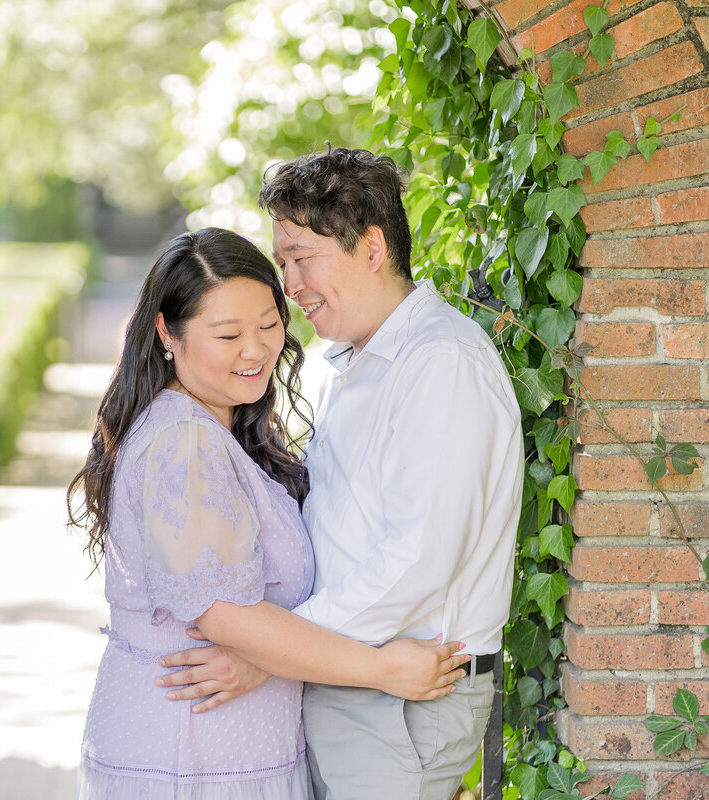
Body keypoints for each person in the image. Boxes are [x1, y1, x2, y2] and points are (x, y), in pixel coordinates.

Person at [157, 148, 524, 800]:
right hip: (354, 681)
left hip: (403, 697)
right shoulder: (349, 365)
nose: (289, 284)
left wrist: (269, 653)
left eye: (301, 257)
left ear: (373, 248)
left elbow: (416, 562)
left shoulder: (440, 363)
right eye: (283, 261)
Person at [68, 226, 472, 800]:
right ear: (167, 332)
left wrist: (264, 665)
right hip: (192, 758)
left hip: (225, 749)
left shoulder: (216, 427)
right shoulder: (185, 442)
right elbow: (226, 618)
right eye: (227, 334)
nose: (256, 350)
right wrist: (383, 668)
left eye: (267, 324)